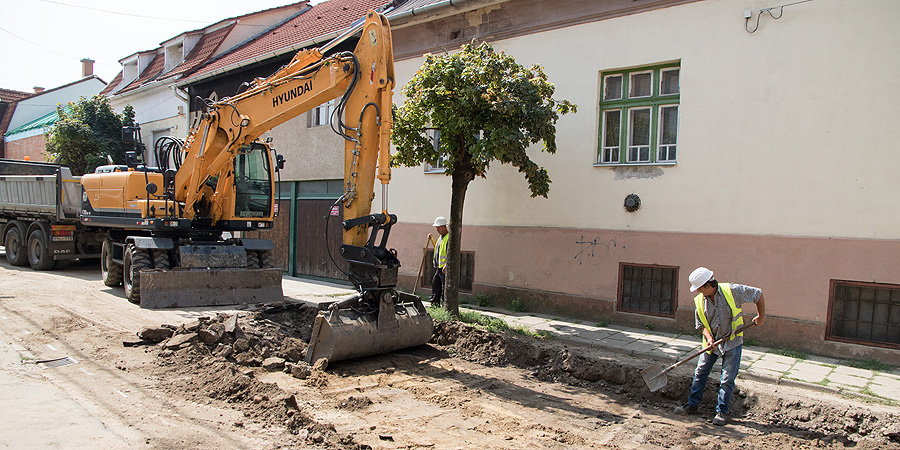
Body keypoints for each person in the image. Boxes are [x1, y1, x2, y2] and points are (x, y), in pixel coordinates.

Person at [674, 267, 765, 426]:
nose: (697, 292)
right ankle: (692, 405)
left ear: (708, 285)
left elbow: (758, 294)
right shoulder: (699, 300)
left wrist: (761, 316)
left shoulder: (733, 291)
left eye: (699, 289)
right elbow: (700, 324)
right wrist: (709, 338)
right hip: (711, 344)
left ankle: (721, 412)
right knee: (700, 373)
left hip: (732, 342)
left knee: (727, 379)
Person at [430, 216, 450, 307]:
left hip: (444, 268)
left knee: (444, 288)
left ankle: (445, 306)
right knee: (435, 286)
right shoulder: (440, 237)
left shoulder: (448, 238)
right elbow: (438, 249)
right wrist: (432, 240)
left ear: (443, 227)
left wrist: (446, 265)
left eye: (438, 227)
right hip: (438, 267)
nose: (436, 229)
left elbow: (450, 254)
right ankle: (435, 305)